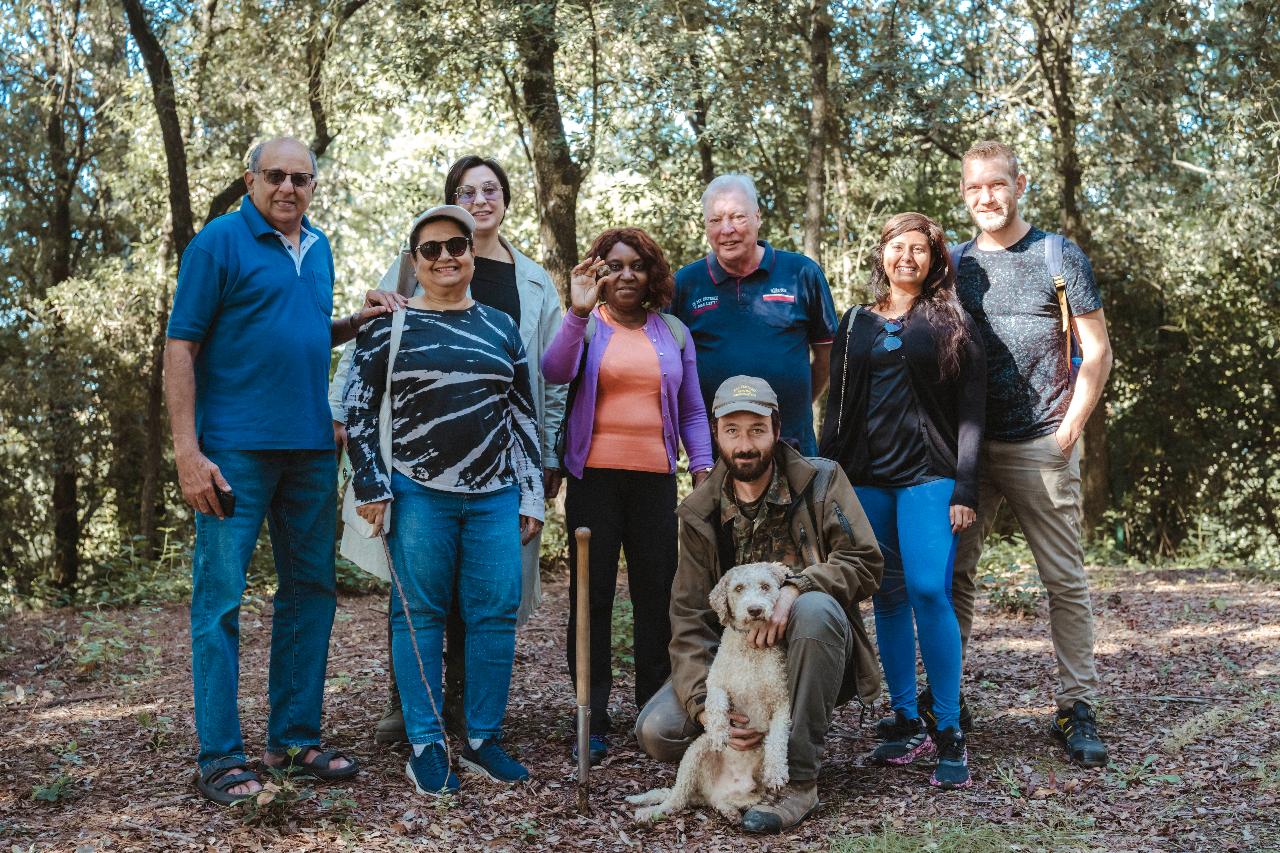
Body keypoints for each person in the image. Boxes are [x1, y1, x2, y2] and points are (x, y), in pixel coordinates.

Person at [167, 136, 397, 805]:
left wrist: (356, 321)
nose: (288, 188)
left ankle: (293, 740)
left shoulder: (318, 247)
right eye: (276, 176)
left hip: (308, 449)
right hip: (232, 452)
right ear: (251, 179)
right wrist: (188, 452)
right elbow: (181, 345)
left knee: (310, 593)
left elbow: (298, 330)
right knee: (221, 602)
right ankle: (220, 757)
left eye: (301, 177)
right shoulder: (218, 243)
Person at [328, 155, 565, 745]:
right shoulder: (414, 268)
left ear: (505, 199)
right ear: (419, 258)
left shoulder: (527, 285)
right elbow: (363, 364)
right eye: (468, 191)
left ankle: (470, 718)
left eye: (491, 190)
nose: (445, 257)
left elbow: (538, 386)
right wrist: (365, 471)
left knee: (487, 603)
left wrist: (540, 469)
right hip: (416, 469)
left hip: (495, 472)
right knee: (419, 600)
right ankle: (414, 715)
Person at [635, 376, 883, 833]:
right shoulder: (698, 512)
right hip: (736, 667)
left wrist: (797, 587)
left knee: (815, 608)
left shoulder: (823, 480)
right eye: (732, 431)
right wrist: (707, 709)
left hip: (812, 652)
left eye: (756, 429)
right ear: (716, 434)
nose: (745, 444)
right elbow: (689, 614)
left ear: (776, 429)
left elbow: (866, 562)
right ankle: (745, 743)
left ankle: (799, 780)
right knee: (659, 732)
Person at [950, 140, 1113, 767]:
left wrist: (1071, 426)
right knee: (954, 577)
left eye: (996, 185)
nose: (986, 197)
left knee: (1064, 581)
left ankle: (1077, 706)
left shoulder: (1056, 253)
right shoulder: (955, 263)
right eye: (974, 189)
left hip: (1043, 441)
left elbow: (1096, 351)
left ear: (1019, 184)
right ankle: (950, 699)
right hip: (967, 451)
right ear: (963, 194)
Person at [818, 212, 986, 789]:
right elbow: (837, 407)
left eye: (919, 249)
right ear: (881, 255)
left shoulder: (953, 320)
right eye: (897, 247)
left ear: (934, 259)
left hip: (930, 477)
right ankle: (904, 717)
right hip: (867, 479)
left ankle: (948, 724)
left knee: (928, 589)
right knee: (885, 594)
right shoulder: (854, 322)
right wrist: (826, 476)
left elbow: (971, 410)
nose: (906, 257)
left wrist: (966, 486)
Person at [540, 228, 714, 765]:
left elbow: (690, 409)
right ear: (599, 273)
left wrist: (702, 467)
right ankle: (589, 714)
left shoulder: (673, 333)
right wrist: (575, 310)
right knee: (589, 599)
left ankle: (652, 709)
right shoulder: (585, 328)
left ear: (652, 275)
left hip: (654, 481)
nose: (626, 276)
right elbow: (554, 370)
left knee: (655, 597)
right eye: (613, 266)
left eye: (636, 266)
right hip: (593, 480)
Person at [670, 174, 838, 455]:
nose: (727, 229)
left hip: (791, 445)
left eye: (738, 217)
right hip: (716, 452)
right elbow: (668, 366)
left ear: (758, 217)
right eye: (715, 220)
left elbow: (826, 355)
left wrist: (796, 404)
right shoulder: (686, 283)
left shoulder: (801, 273)